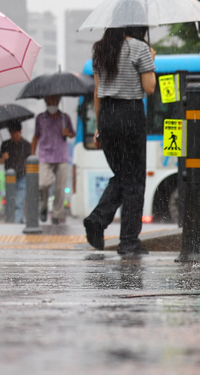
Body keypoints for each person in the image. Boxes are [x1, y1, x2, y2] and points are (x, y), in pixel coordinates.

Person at [82, 26, 156, 256]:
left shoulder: (101, 49)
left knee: (124, 176)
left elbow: (97, 92)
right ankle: (128, 241)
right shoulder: (139, 48)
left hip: (106, 116)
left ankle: (98, 221)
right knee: (134, 181)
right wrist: (151, 60)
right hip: (130, 115)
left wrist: (98, 129)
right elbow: (149, 87)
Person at [31, 95, 76, 223]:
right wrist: (32, 154)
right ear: (46, 101)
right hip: (45, 156)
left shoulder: (65, 118)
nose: (52, 103)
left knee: (60, 188)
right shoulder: (40, 118)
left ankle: (57, 214)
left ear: (58, 101)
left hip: (61, 156)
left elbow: (73, 133)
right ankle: (43, 206)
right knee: (43, 183)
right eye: (49, 100)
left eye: (54, 100)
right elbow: (35, 136)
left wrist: (67, 133)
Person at [0, 122, 31, 222]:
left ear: (20, 132)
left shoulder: (26, 145)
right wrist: (4, 157)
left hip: (22, 176)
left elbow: (31, 160)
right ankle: (14, 219)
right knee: (10, 200)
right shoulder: (5, 144)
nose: (14, 135)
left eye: (15, 133)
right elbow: (0, 161)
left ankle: (16, 221)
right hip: (10, 178)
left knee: (18, 201)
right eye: (12, 133)